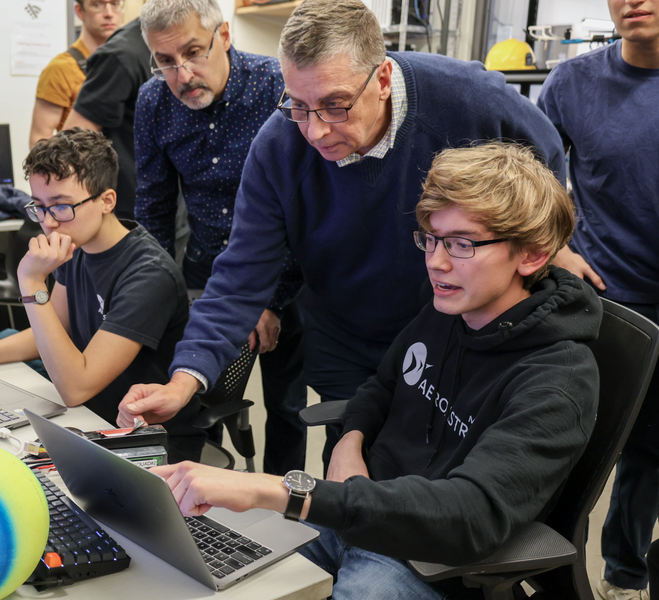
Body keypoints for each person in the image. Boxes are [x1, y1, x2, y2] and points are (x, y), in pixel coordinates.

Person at [118, 0, 566, 469]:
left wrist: (553, 243)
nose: (314, 130)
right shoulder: (278, 146)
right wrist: (183, 381)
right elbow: (240, 276)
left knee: (441, 467)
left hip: (457, 330)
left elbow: (547, 166)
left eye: (335, 105)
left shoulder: (467, 98)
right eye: (299, 105)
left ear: (384, 80)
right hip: (346, 334)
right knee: (353, 464)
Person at [153, 142, 601, 599]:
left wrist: (283, 490)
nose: (436, 262)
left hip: (425, 557)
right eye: (431, 238)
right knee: (205, 574)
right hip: (357, 508)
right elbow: (383, 385)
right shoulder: (450, 308)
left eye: (462, 244)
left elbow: (470, 513)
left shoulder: (557, 381)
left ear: (531, 255)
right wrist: (350, 441)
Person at [0, 129, 204, 463]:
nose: (48, 223)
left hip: (146, 441)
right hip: (87, 419)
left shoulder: (148, 274)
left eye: (60, 206)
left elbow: (76, 388)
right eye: (39, 207)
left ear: (107, 200)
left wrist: (31, 282)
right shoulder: (80, 247)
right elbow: (51, 332)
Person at [134, 0, 307, 475]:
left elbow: (305, 205)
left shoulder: (276, 86)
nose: (183, 73)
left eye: (193, 52)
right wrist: (153, 300)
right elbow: (153, 209)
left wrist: (268, 301)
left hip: (290, 278)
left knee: (288, 406)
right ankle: (202, 503)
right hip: (207, 278)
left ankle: (282, 506)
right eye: (165, 61)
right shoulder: (154, 102)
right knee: (194, 405)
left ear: (224, 36)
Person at [537, 1, 659, 598]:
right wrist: (553, 245)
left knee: (650, 452)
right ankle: (545, 571)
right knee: (572, 449)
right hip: (600, 300)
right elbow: (524, 176)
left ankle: (626, 575)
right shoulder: (572, 83)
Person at [61, 16, 152, 221]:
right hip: (130, 213)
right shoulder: (122, 55)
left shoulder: (185, 48)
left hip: (176, 209)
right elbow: (71, 145)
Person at [29, 0, 122, 148]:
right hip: (83, 167)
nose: (109, 14)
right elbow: (39, 141)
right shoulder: (60, 69)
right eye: (97, 4)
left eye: (115, 3)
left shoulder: (126, 66)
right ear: (79, 11)